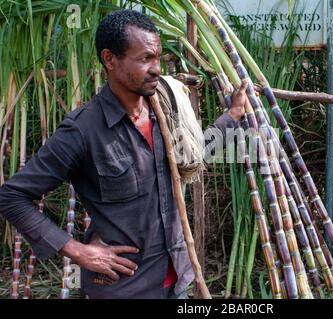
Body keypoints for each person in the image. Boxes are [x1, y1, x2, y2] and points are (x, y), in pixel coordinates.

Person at [0, 9, 247, 299]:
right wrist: (79, 252)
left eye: (157, 57)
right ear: (110, 60)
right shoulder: (82, 131)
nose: (156, 68)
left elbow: (191, 155)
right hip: (125, 288)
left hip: (177, 279)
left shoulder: (163, 111)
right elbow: (12, 197)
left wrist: (233, 115)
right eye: (145, 59)